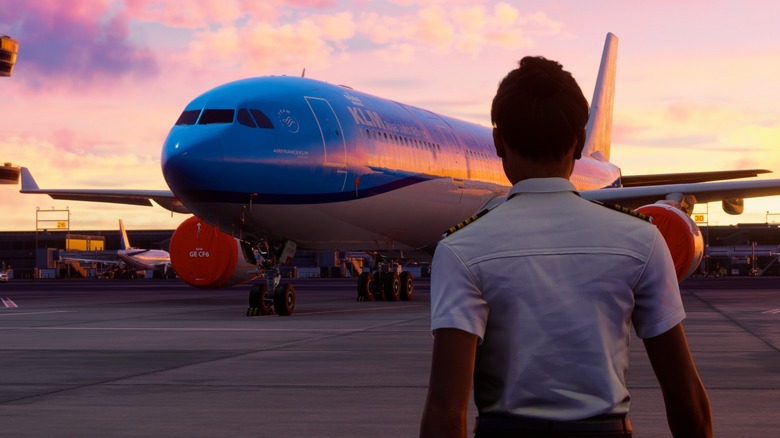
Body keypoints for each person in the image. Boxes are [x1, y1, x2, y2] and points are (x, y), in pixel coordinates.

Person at [420, 56, 712, 437]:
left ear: (497, 142)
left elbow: (446, 411)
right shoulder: (641, 239)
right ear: (577, 145)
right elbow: (685, 397)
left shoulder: (460, 249)